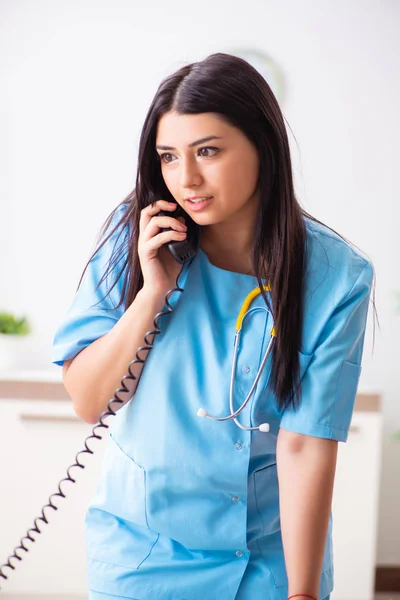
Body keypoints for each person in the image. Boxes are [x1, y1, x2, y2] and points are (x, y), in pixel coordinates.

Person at [52, 52, 375, 600]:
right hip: (144, 556)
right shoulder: (133, 240)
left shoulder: (336, 276)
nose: (186, 179)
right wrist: (152, 293)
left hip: (271, 562)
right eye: (169, 157)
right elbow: (89, 401)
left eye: (208, 151)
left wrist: (299, 593)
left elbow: (306, 443)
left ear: (262, 146)